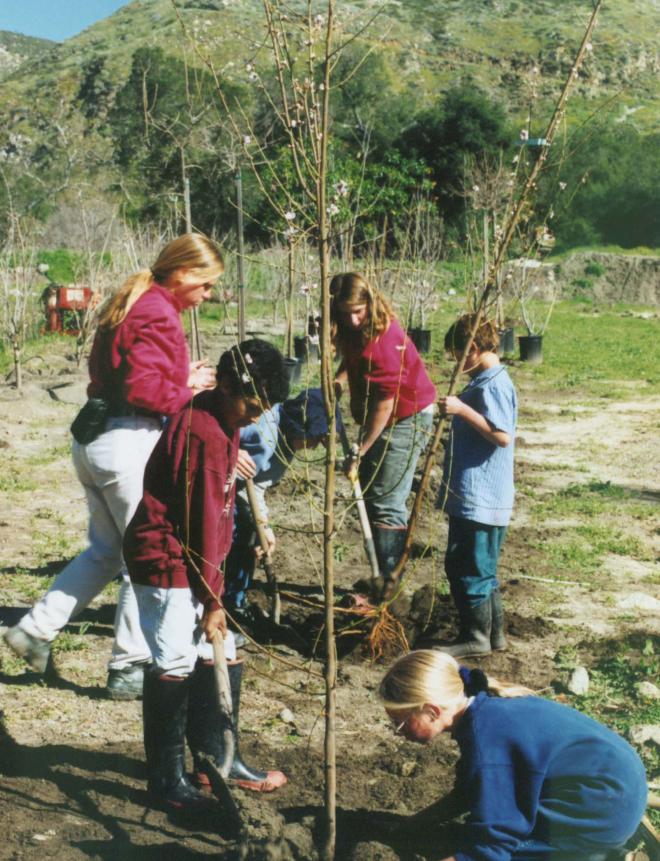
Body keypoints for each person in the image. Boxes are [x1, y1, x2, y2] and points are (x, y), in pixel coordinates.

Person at [3, 234, 223, 700]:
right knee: (139, 559)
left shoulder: (133, 300)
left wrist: (178, 379)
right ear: (183, 273)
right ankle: (128, 665)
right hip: (128, 442)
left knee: (105, 551)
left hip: (97, 440)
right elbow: (144, 391)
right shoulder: (158, 312)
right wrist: (192, 392)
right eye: (205, 285)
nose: (208, 296)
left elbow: (124, 376)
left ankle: (34, 631)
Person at [123, 339, 290, 810]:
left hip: (193, 558)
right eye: (253, 405)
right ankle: (167, 781)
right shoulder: (207, 434)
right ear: (229, 386)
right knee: (175, 659)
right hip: (167, 556)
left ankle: (219, 758)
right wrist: (214, 601)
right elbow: (200, 525)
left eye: (266, 408)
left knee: (221, 651)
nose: (257, 416)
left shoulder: (219, 416)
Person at [380, 649, 647, 861]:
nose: (397, 732)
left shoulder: (488, 741)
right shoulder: (485, 710)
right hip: (617, 789)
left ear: (432, 711)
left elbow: (489, 851)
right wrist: (416, 823)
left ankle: (598, 855)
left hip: (603, 814)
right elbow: (470, 791)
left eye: (400, 722)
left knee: (507, 851)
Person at [330, 272, 436, 597]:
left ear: (370, 304)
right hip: (383, 415)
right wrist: (339, 378)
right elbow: (352, 356)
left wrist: (362, 447)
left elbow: (385, 404)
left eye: (359, 311)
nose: (353, 318)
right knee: (374, 496)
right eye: (346, 311)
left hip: (405, 417)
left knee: (388, 502)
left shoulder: (386, 342)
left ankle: (389, 587)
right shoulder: (352, 327)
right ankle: (381, 577)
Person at [435, 315, 517, 658]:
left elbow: (501, 436)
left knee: (467, 566)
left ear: (476, 349)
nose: (457, 362)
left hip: (482, 497)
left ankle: (475, 636)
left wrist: (462, 410)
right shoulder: (485, 379)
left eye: (459, 353)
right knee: (480, 567)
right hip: (476, 495)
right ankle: (493, 636)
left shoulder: (493, 384)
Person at [224, 387, 341, 617]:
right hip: (220, 491)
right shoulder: (262, 428)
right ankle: (224, 604)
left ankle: (236, 601)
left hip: (240, 493)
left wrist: (262, 525)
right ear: (300, 426)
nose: (315, 446)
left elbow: (257, 484)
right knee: (234, 541)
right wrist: (263, 525)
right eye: (315, 437)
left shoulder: (285, 444)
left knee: (251, 540)